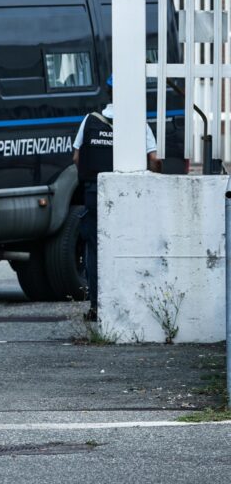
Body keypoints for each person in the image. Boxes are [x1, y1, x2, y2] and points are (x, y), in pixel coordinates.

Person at [72, 74, 158, 321]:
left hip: (93, 192)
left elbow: (76, 158)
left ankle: (96, 307)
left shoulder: (90, 120)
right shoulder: (137, 124)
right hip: (128, 197)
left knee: (94, 249)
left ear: (108, 93)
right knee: (129, 246)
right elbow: (154, 160)